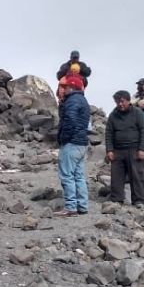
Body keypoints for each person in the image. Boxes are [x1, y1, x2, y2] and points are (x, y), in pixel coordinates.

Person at [105, 90, 144, 207]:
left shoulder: (137, 113)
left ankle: (138, 200)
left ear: (128, 101)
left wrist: (142, 149)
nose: (120, 104)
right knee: (116, 177)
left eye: (122, 101)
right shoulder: (113, 115)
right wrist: (109, 150)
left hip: (134, 149)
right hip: (118, 150)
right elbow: (108, 133)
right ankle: (117, 199)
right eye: (117, 102)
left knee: (137, 176)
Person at [55, 75, 90, 217]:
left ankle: (71, 207)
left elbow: (69, 120)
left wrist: (65, 137)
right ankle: (82, 206)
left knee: (67, 175)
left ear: (71, 87)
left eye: (66, 87)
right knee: (79, 176)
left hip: (71, 143)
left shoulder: (72, 101)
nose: (64, 90)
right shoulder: (83, 100)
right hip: (82, 143)